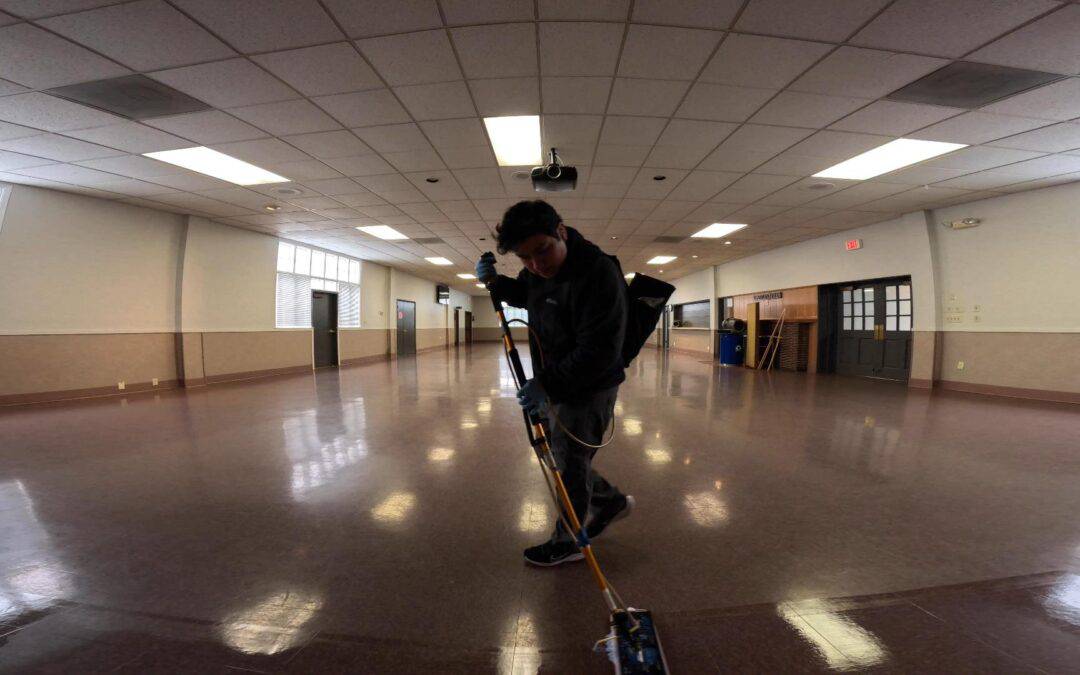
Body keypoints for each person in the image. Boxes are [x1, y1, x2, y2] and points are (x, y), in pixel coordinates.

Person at [476, 199, 635, 567]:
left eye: (542, 251)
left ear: (560, 232)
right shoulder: (537, 272)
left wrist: (545, 384)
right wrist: (495, 282)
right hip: (554, 380)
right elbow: (529, 296)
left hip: (591, 384)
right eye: (525, 258)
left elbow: (599, 351)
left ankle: (569, 541)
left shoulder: (599, 273)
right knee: (556, 453)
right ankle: (608, 500)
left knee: (569, 463)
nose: (536, 264)